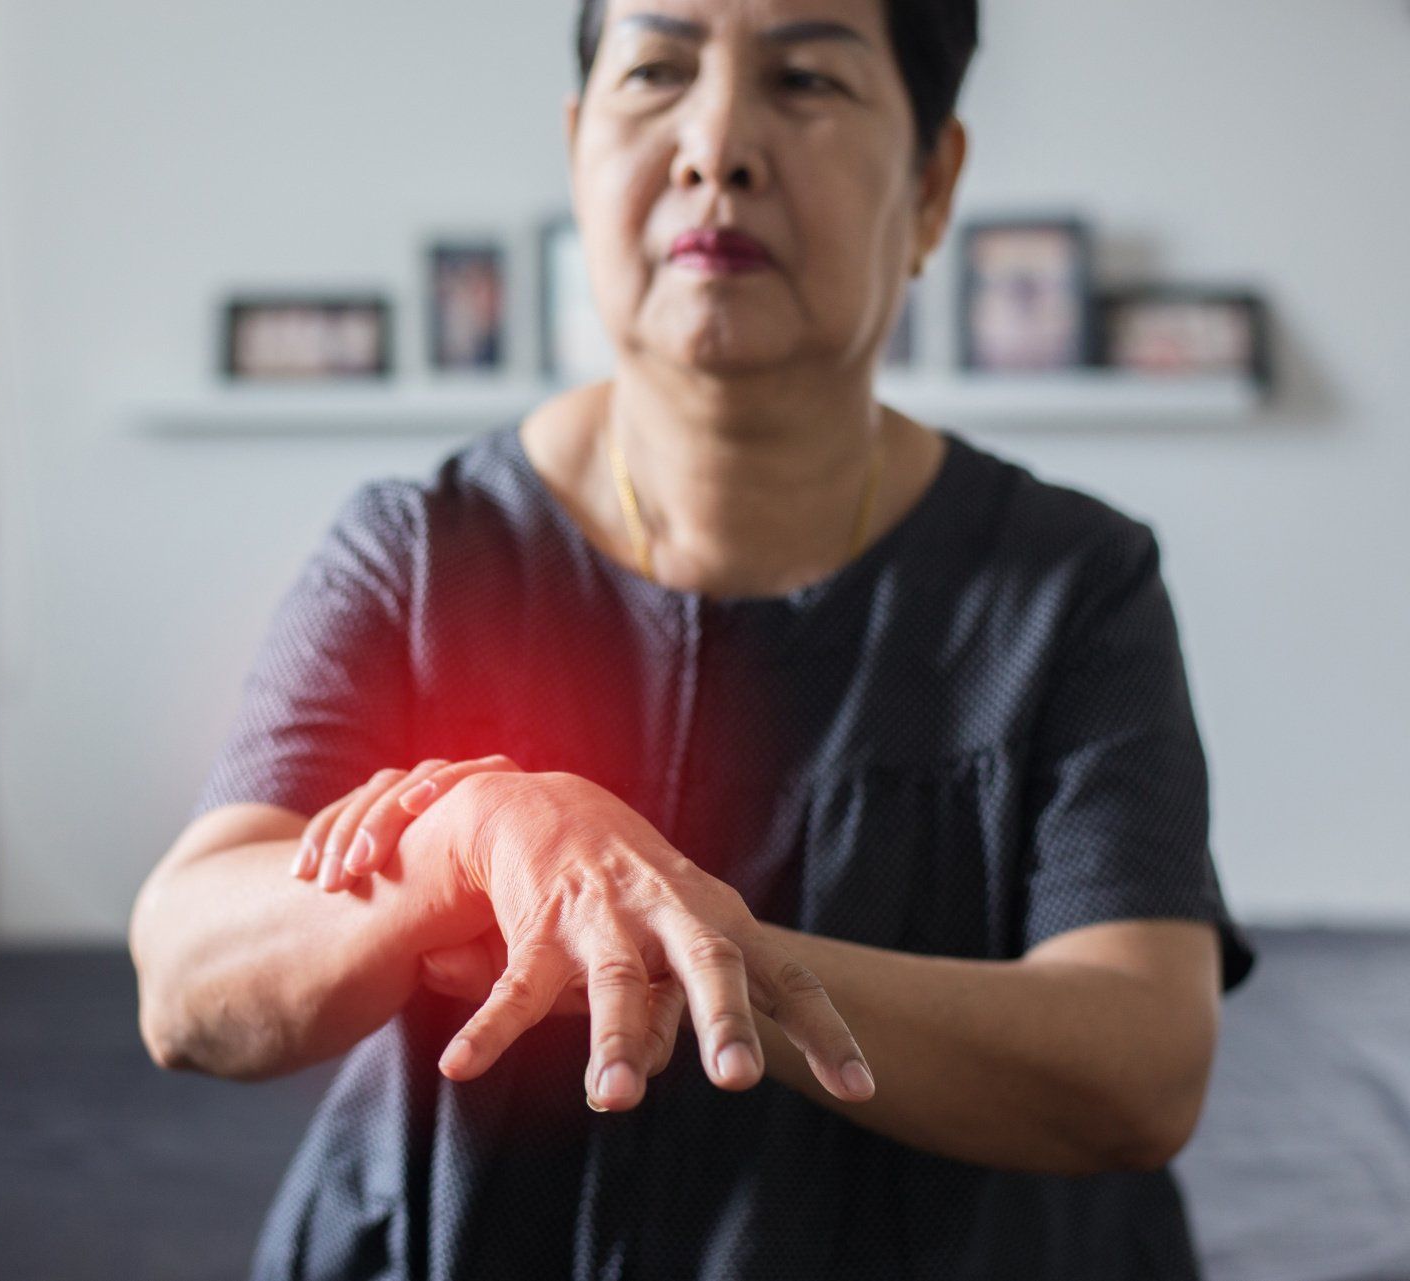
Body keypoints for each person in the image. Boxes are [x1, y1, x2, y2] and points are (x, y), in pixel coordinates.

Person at [129, 0, 1258, 1275]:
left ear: (933, 185)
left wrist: (666, 936)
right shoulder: (418, 552)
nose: (716, 142)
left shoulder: (1071, 586)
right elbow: (189, 978)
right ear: (578, 149)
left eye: (809, 81)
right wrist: (470, 839)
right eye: (658, 71)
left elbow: (1138, 1067)